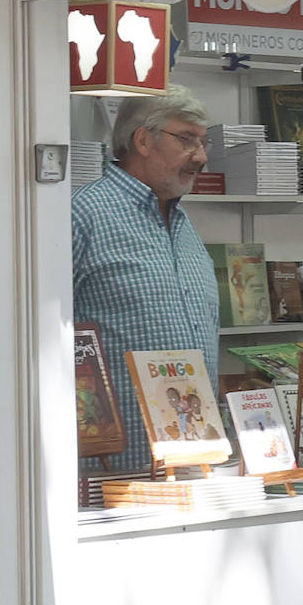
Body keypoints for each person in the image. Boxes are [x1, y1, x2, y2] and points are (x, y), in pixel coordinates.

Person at [72, 90, 219, 471]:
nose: (201, 156)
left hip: (195, 462)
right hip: (115, 473)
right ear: (142, 140)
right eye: (187, 139)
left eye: (203, 142)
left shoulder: (183, 224)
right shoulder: (81, 215)